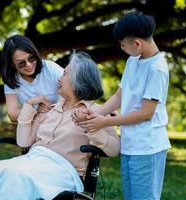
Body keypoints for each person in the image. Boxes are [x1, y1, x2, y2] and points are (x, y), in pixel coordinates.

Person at [0, 51, 120, 200]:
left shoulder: (97, 112)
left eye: (65, 74)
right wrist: (30, 106)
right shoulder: (51, 109)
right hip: (33, 161)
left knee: (16, 176)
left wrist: (93, 125)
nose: (59, 78)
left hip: (62, 170)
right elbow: (24, 141)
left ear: (79, 81)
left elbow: (114, 149)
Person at [73, 11, 171, 200]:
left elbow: (146, 113)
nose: (121, 48)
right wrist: (93, 115)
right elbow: (119, 96)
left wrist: (105, 123)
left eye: (123, 45)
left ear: (137, 43)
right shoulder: (132, 61)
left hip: (148, 147)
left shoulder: (157, 68)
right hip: (130, 144)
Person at [2, 34, 64, 122]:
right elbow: (12, 114)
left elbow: (75, 92)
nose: (29, 65)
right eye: (21, 63)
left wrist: (53, 109)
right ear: (12, 64)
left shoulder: (49, 68)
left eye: (31, 58)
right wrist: (34, 110)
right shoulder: (11, 79)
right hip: (37, 125)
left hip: (62, 120)